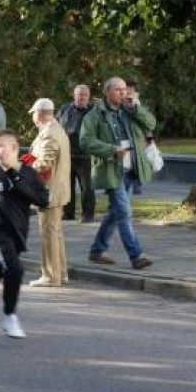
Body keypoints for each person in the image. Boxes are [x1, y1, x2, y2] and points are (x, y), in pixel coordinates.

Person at [0, 130, 49, 338]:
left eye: (1, 146)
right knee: (15, 269)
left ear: (14, 148)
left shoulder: (28, 174)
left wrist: (17, 178)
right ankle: (9, 317)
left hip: (18, 232)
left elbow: (43, 200)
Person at [80, 76, 156, 269]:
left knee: (115, 212)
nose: (123, 93)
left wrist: (136, 108)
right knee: (124, 211)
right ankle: (136, 255)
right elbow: (86, 141)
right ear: (107, 92)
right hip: (111, 170)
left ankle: (97, 250)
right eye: (118, 90)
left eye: (124, 89)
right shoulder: (94, 115)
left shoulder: (129, 111)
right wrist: (111, 150)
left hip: (131, 168)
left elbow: (151, 124)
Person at [28, 98, 72, 287]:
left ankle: (51, 276)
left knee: (49, 234)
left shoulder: (49, 133)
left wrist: (25, 167)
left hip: (49, 190)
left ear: (40, 114)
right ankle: (60, 273)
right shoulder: (56, 130)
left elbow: (44, 163)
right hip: (56, 190)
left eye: (34, 114)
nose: (33, 117)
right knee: (56, 233)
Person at [56, 84, 95, 222]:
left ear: (88, 97)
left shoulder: (94, 111)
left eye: (84, 94)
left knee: (87, 187)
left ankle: (87, 214)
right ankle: (68, 213)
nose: (81, 97)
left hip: (85, 155)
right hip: (66, 154)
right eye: (79, 94)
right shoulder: (64, 109)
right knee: (67, 186)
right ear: (74, 95)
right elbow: (56, 126)